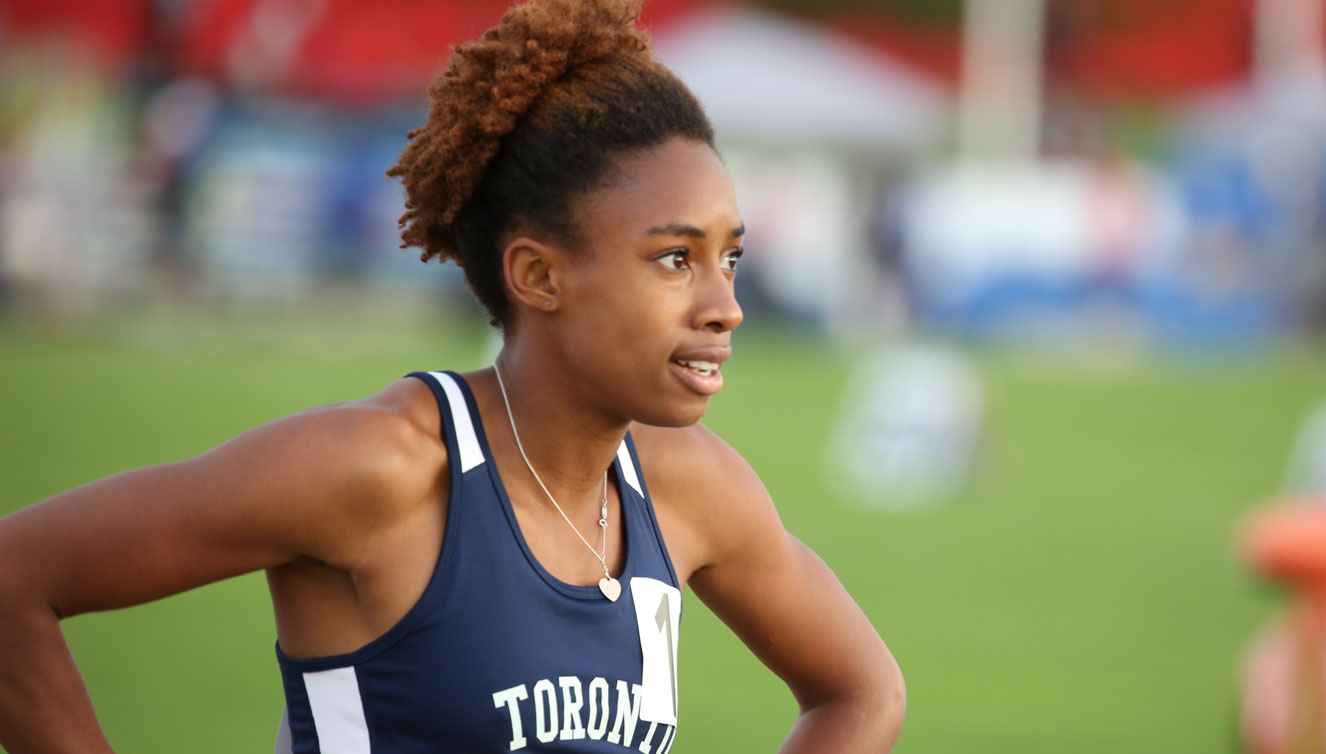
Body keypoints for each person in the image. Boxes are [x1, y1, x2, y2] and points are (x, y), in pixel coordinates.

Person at [0, 0, 905, 751]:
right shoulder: (381, 469)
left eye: (730, 259)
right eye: (675, 260)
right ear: (538, 276)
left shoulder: (689, 487)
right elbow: (15, 577)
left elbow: (861, 693)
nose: (725, 305)